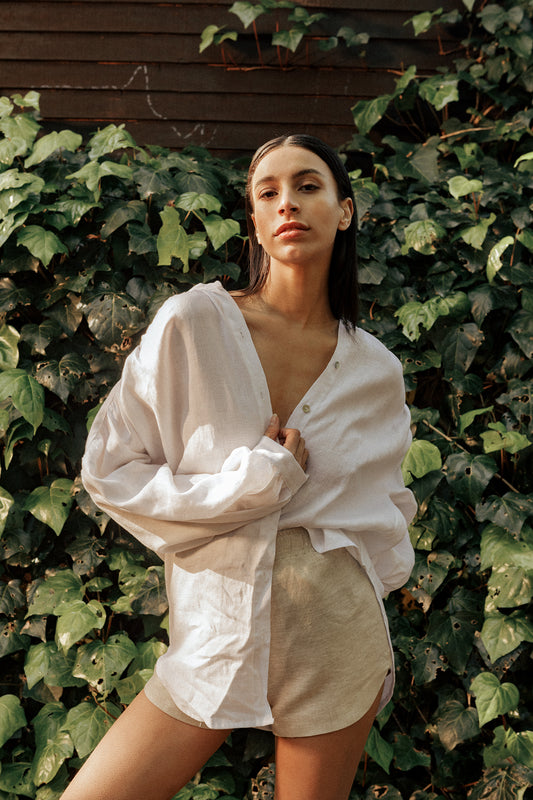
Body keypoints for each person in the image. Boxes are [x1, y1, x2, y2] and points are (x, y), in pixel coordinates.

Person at [61, 134, 416, 800]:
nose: (288, 204)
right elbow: (111, 473)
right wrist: (256, 482)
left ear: (344, 210)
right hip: (214, 634)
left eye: (308, 186)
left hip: (336, 642)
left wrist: (348, 587)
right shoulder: (192, 324)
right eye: (268, 192)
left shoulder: (375, 370)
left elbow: (386, 512)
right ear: (252, 220)